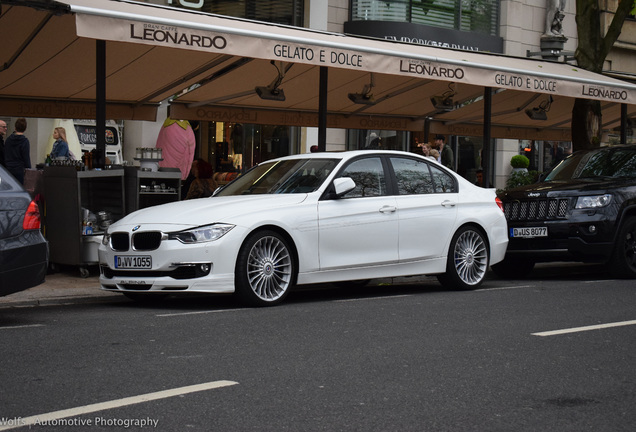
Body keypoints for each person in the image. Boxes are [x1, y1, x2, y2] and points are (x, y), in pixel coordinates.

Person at [4, 118, 31, 184]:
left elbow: (5, 153)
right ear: (25, 128)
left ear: (15, 127)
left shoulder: (8, 140)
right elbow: (26, 157)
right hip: (19, 169)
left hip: (8, 168)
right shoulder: (24, 141)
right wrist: (29, 169)